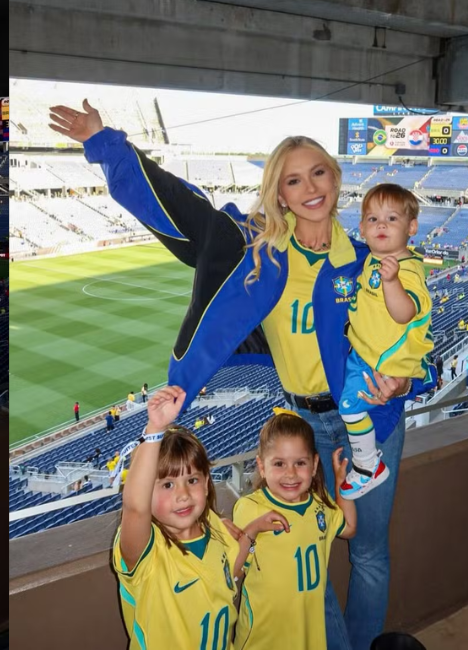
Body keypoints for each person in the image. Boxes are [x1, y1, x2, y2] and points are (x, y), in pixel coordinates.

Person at [48, 101, 432, 650]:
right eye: (293, 179)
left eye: (318, 172)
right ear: (279, 193)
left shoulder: (369, 255)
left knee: (369, 551)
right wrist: (104, 143)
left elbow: (416, 331)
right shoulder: (257, 250)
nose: (310, 187)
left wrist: (406, 383)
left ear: (336, 176)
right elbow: (182, 209)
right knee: (312, 562)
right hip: (303, 424)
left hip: (373, 416)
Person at [113, 386, 286, 648]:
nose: (183, 494)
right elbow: (135, 508)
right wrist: (154, 430)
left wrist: (250, 533)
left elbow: (228, 574)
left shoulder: (215, 528)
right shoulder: (147, 553)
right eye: (167, 485)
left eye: (192, 480)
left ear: (206, 484)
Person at [338, 185, 432, 500]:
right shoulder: (375, 259)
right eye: (372, 218)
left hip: (380, 364)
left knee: (350, 409)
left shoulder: (406, 268)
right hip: (368, 355)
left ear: (412, 227)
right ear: (362, 228)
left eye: (391, 218)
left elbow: (405, 312)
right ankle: (366, 464)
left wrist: (391, 283)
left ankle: (368, 465)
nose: (381, 225)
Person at [234, 410, 357, 649]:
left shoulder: (319, 508)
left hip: (308, 634)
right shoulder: (250, 508)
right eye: (279, 464)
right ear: (261, 466)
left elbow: (349, 528)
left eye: (300, 463)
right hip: (264, 637)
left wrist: (343, 486)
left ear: (314, 465)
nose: (290, 473)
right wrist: (252, 530)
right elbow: (232, 570)